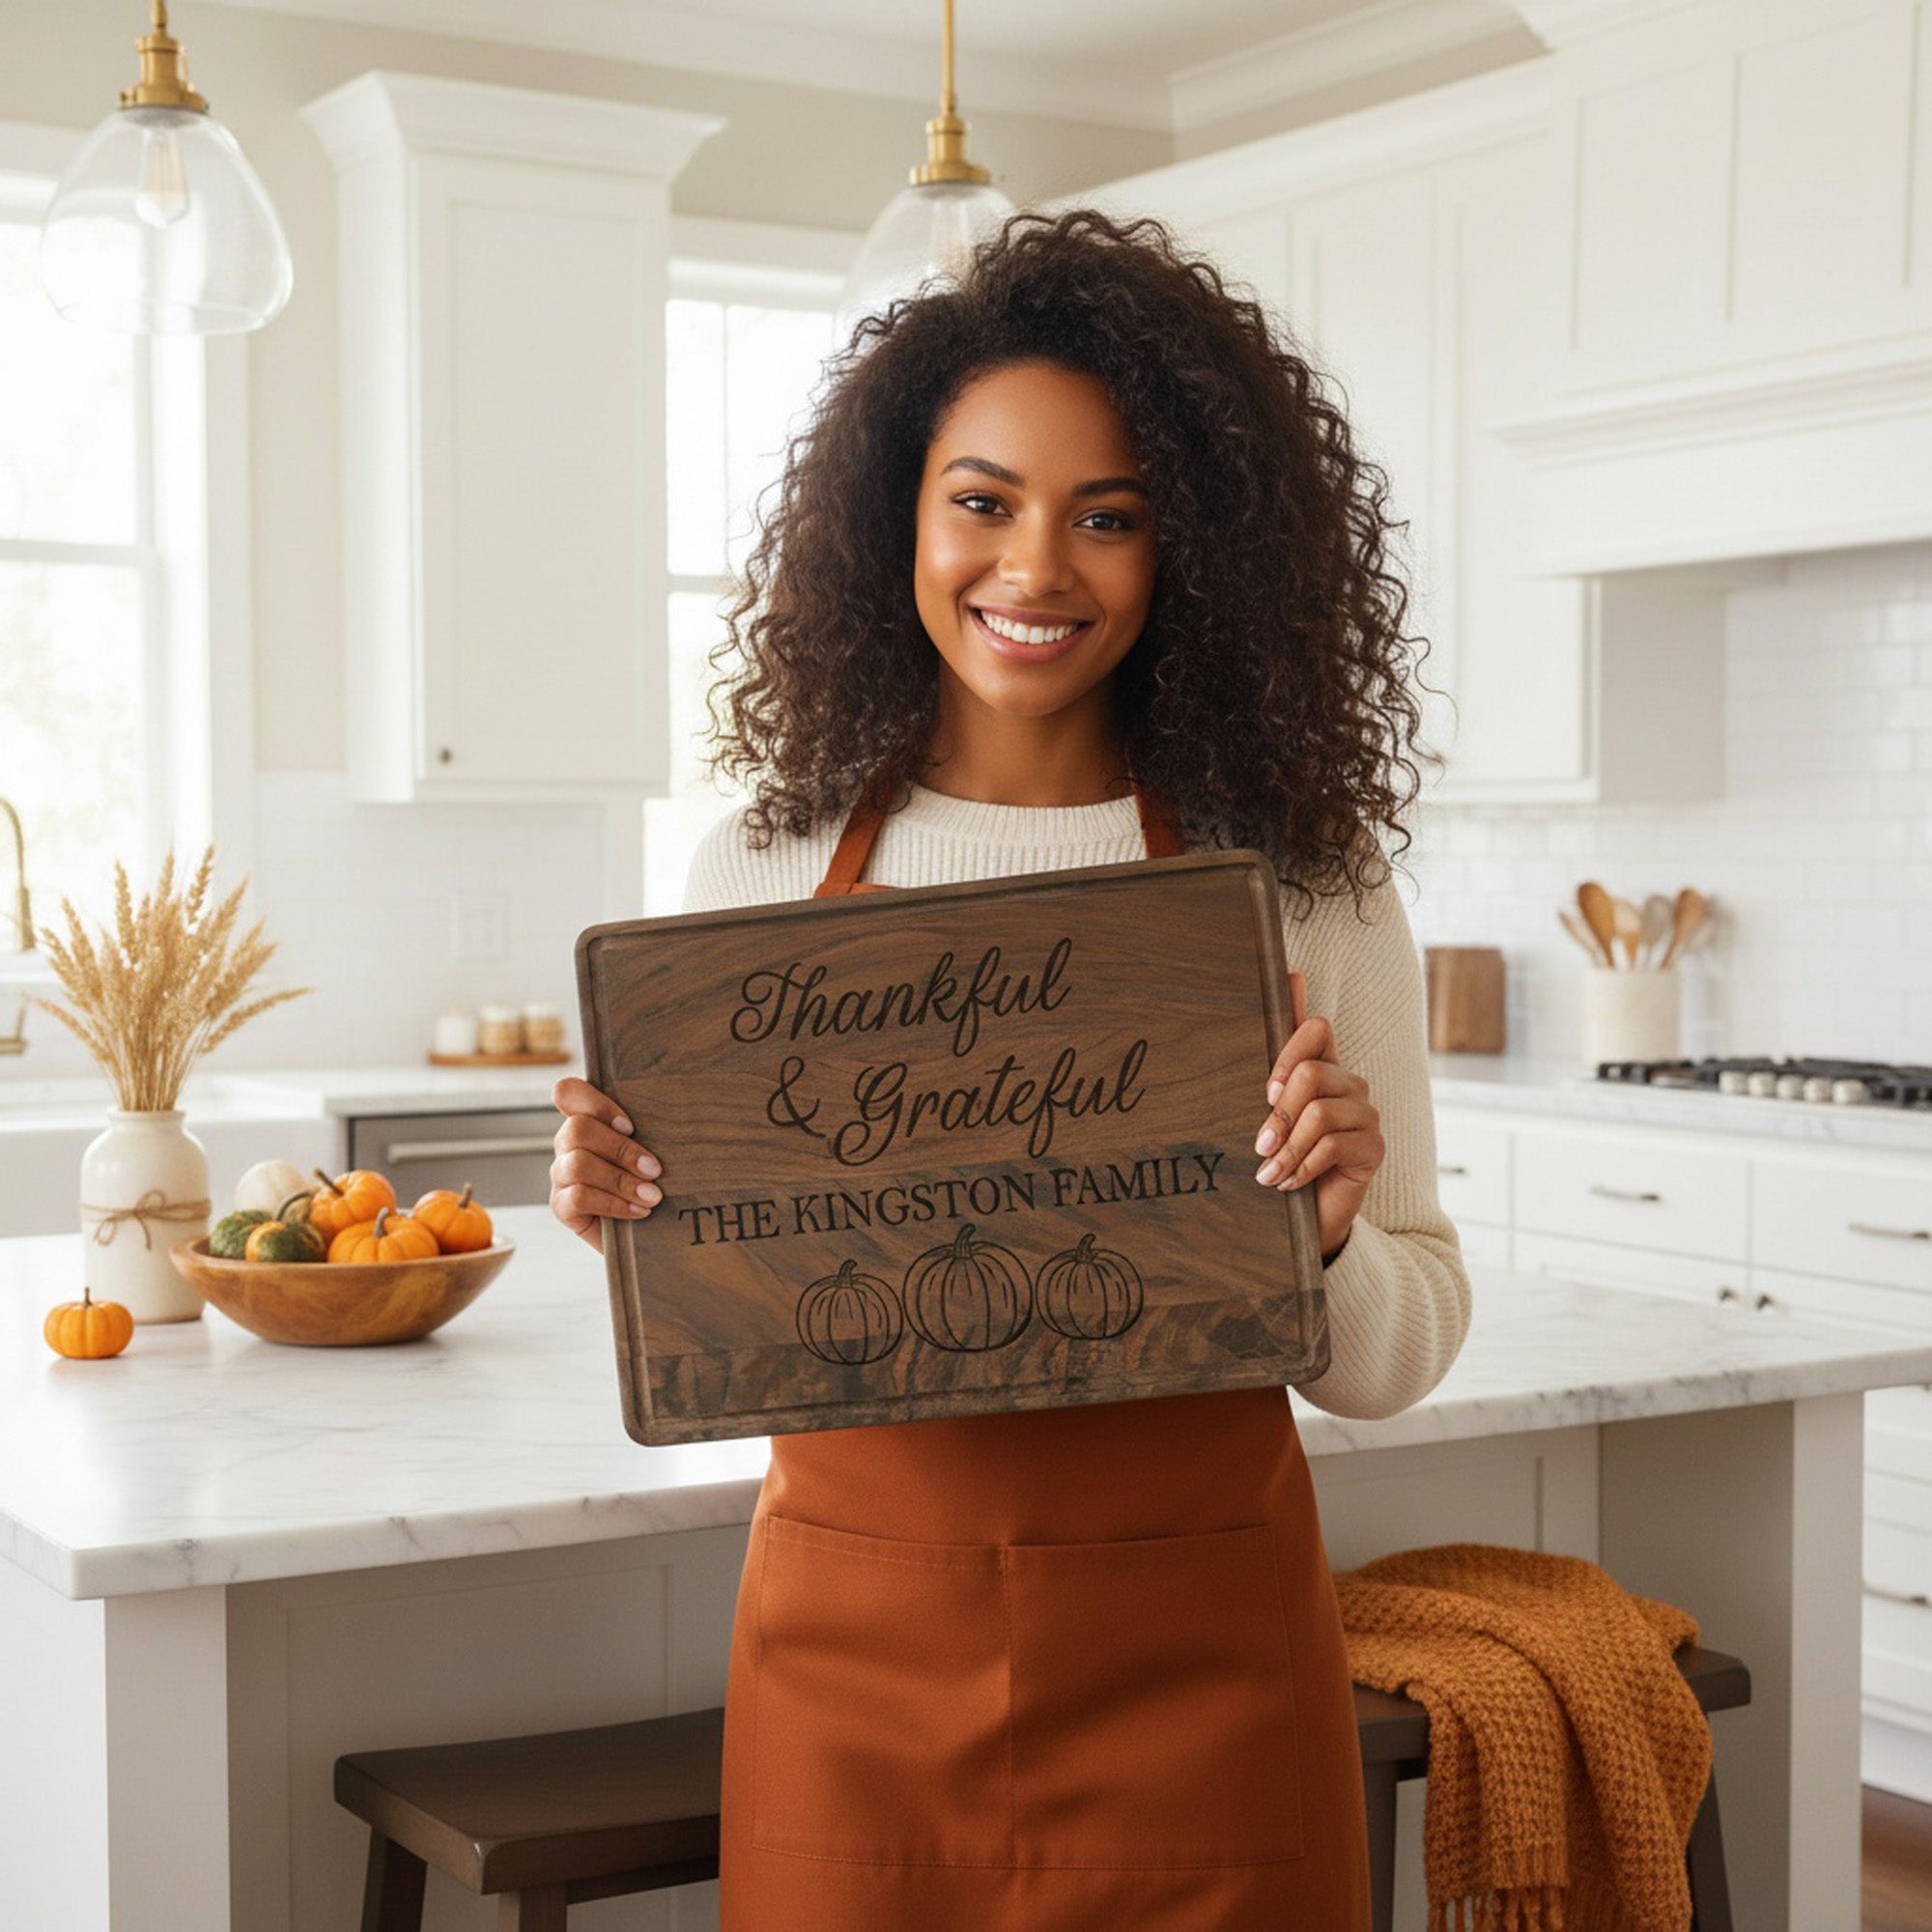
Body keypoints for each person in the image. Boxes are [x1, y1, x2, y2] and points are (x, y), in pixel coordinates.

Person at [550, 205, 1472, 1931]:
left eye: (1107, 517)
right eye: (982, 501)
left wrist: (1335, 1238)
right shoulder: (760, 862)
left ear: (1189, 550)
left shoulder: (1312, 885)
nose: (1033, 568)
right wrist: (637, 1220)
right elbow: (742, 1297)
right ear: (895, 517)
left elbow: (1404, 1339)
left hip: (1203, 1660)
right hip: (854, 1659)